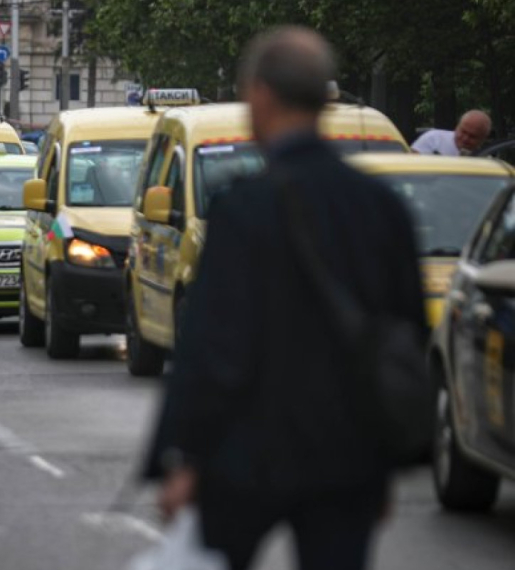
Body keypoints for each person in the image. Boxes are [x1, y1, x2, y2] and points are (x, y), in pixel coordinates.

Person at [141, 27, 426, 570]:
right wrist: (390, 461)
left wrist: (182, 457)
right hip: (351, 456)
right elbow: (405, 336)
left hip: (250, 454)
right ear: (324, 100)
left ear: (262, 97)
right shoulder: (381, 207)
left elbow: (212, 344)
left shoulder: (245, 208)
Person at [412, 110, 492, 156]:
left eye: (472, 136)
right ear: (457, 127)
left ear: (483, 138)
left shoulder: (485, 159)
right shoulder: (433, 139)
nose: (465, 138)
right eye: (463, 132)